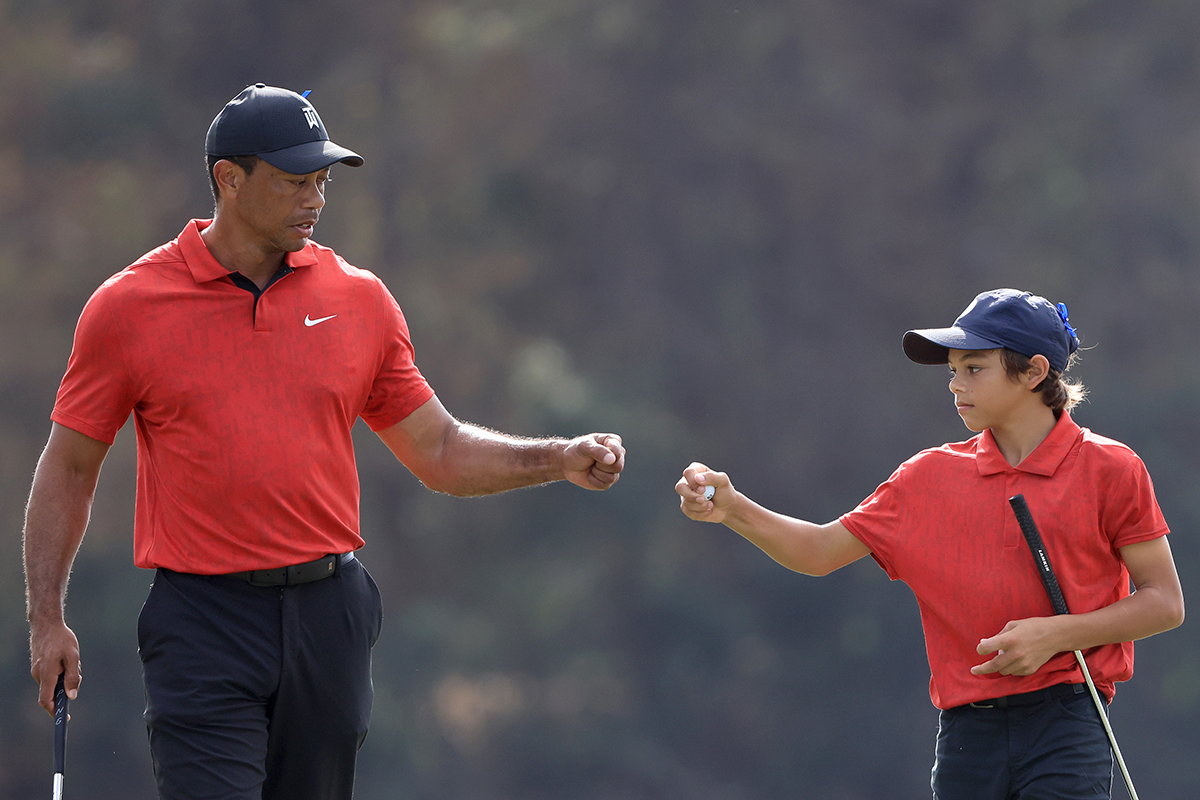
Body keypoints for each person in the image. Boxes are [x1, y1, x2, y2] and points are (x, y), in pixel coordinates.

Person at [24, 83, 625, 800]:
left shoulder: (358, 299)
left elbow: (438, 450)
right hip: (203, 622)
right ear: (229, 179)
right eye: (293, 181)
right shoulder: (128, 307)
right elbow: (69, 467)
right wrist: (46, 619)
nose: (314, 198)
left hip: (327, 615)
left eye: (321, 182)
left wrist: (556, 457)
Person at [676, 288, 1183, 799]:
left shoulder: (1112, 469)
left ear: (1033, 372)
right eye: (953, 370)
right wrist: (735, 509)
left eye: (974, 369)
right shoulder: (926, 477)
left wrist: (1054, 636)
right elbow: (817, 552)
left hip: (1069, 722)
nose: (956, 385)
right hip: (967, 733)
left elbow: (1164, 602)